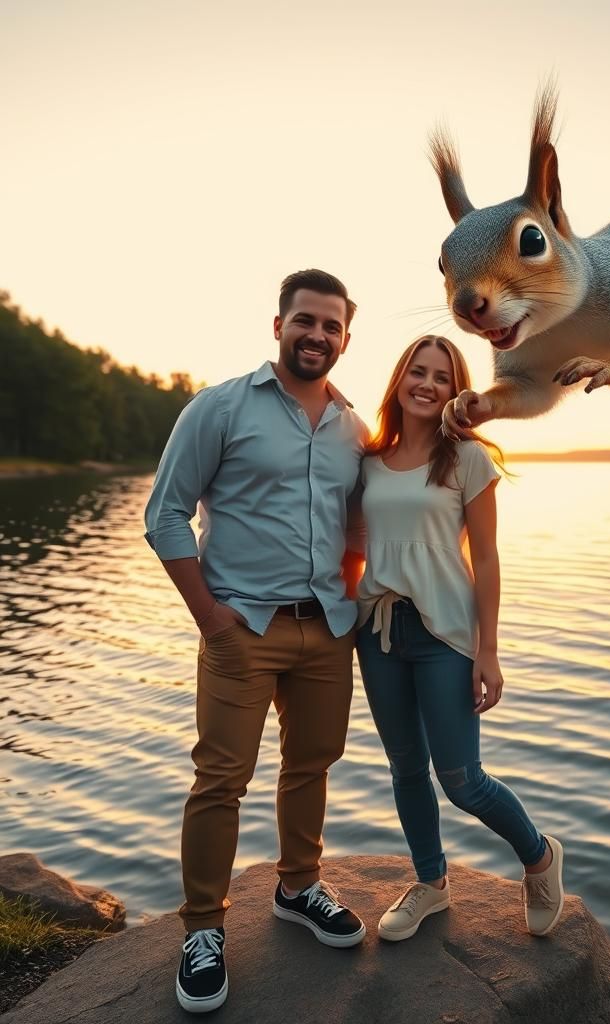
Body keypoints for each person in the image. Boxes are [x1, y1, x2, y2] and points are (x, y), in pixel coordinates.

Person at [144, 269, 368, 1014]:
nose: (317, 336)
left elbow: (360, 526)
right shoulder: (220, 407)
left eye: (332, 326)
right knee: (221, 777)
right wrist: (209, 616)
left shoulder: (351, 425)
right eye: (306, 321)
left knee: (311, 765)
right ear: (279, 326)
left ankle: (298, 887)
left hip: (327, 631)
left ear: (345, 335)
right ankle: (204, 930)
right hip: (243, 628)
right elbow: (165, 514)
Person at [355, 333, 564, 943]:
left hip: (444, 632)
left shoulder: (468, 459)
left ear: (456, 390)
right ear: (398, 381)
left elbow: (489, 559)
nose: (426, 383)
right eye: (416, 372)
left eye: (441, 377)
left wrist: (489, 650)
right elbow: (352, 544)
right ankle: (431, 884)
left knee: (462, 779)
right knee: (404, 769)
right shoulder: (367, 461)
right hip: (378, 632)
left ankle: (539, 856)